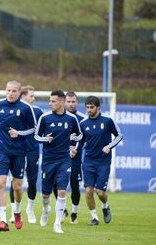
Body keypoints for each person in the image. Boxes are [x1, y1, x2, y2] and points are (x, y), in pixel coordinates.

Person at [0, 80, 37, 231]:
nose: (10, 93)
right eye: (8, 90)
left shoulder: (26, 108)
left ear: (19, 93)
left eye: (13, 91)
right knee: (1, 183)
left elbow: (34, 129)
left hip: (19, 152)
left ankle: (17, 211)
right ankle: (3, 220)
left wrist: (19, 133)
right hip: (1, 151)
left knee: (17, 187)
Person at [34, 90, 82, 234]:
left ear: (61, 102)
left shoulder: (72, 119)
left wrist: (74, 139)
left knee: (61, 191)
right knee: (45, 195)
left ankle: (57, 223)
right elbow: (36, 136)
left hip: (64, 160)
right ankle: (46, 210)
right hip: (48, 160)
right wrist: (45, 139)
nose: (50, 103)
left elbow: (80, 135)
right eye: (50, 101)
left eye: (53, 101)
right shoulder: (45, 117)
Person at [76, 96, 123, 226]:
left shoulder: (108, 120)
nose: (89, 110)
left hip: (103, 161)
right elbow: (80, 142)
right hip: (89, 161)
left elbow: (119, 135)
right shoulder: (83, 124)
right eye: (87, 108)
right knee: (88, 190)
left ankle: (105, 206)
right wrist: (74, 149)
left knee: (100, 192)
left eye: (92, 107)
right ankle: (94, 218)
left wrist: (109, 146)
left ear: (98, 107)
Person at [8, 85, 43, 224]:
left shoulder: (38, 112)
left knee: (32, 181)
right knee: (15, 181)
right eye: (31, 95)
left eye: (34, 96)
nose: (33, 98)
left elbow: (41, 131)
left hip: (33, 150)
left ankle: (30, 209)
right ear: (22, 97)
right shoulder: (15, 110)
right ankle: (14, 212)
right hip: (17, 151)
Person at [55, 91, 87, 224]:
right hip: (59, 156)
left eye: (73, 101)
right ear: (64, 102)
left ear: (77, 102)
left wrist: (75, 149)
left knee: (74, 184)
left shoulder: (82, 119)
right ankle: (62, 211)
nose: (71, 104)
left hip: (75, 157)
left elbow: (84, 138)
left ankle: (74, 211)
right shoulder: (57, 116)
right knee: (55, 184)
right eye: (68, 101)